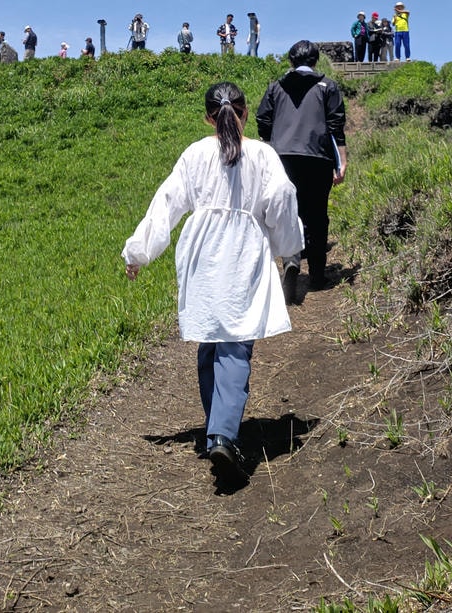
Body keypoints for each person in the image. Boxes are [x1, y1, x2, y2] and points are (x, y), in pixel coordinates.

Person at [122, 81, 304, 478]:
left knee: (210, 343)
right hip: (243, 255)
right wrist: (289, 247)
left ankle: (214, 431)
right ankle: (223, 436)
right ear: (245, 111)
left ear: (208, 117)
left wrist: (138, 252)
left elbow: (166, 203)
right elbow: (282, 199)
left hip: (201, 254)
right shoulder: (262, 154)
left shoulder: (195, 154)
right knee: (235, 345)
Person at [255, 40, 348, 303]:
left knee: (288, 212)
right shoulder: (326, 86)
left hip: (282, 157)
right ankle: (317, 275)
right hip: (318, 156)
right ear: (316, 61)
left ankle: (291, 262)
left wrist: (273, 140)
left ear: (291, 61)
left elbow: (263, 119)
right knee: (317, 213)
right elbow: (335, 123)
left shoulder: (276, 86)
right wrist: (342, 159)